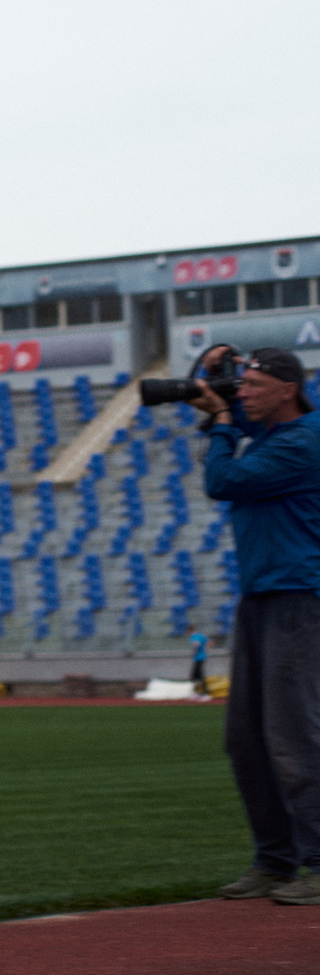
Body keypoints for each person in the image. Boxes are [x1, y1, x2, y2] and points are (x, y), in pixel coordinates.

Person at [194, 345, 320, 904]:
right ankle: (275, 860)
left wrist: (221, 420)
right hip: (262, 595)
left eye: (253, 386)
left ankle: (316, 860)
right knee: (246, 739)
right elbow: (234, 413)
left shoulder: (303, 441)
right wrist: (215, 379)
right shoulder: (276, 432)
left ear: (288, 390)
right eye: (239, 384)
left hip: (299, 596)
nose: (242, 394)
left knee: (294, 737)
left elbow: (224, 481)